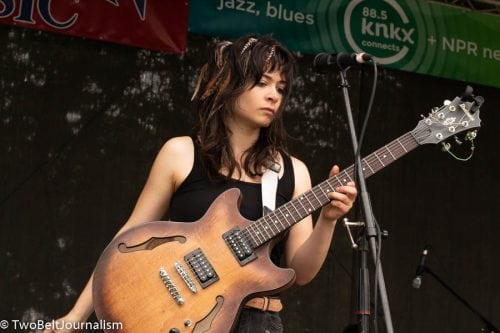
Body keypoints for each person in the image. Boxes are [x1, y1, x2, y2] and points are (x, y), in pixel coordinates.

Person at [44, 35, 357, 333]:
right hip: (178, 318)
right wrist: (75, 316)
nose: (274, 95)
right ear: (228, 84)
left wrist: (328, 220)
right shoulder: (180, 153)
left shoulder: (294, 171)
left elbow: (301, 273)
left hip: (258, 323)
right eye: (262, 83)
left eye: (281, 87)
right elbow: (125, 242)